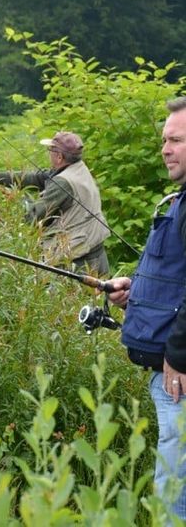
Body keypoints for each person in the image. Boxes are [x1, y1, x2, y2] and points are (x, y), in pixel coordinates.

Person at [106, 97, 186, 520]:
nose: (165, 149)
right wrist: (134, 290)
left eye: (175, 140)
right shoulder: (180, 200)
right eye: (163, 140)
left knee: (175, 482)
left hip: (180, 376)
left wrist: (179, 353)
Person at [0, 131, 110, 274]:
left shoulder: (63, 182)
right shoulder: (77, 168)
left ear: (59, 156)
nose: (49, 153)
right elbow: (35, 178)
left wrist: (19, 201)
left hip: (78, 263)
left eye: (50, 150)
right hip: (95, 253)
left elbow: (34, 217)